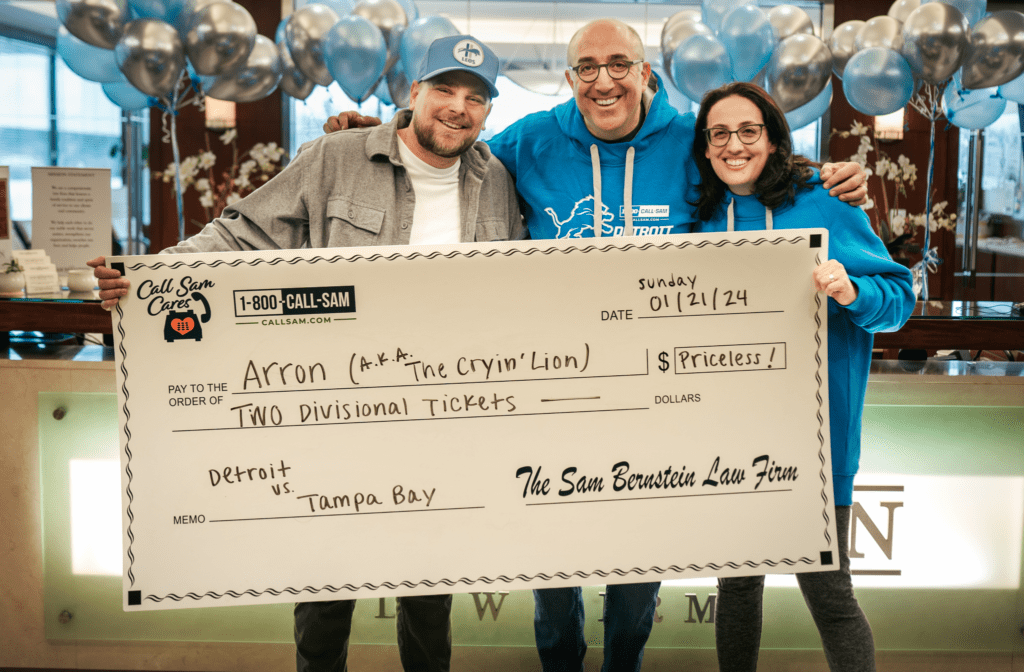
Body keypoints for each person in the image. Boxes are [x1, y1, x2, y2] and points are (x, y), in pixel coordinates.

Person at [325, 19, 870, 672]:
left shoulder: (689, 142)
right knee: (554, 585)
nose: (603, 79)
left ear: (647, 74)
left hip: (658, 408)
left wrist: (826, 178)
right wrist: (377, 134)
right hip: (556, 403)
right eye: (587, 66)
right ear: (569, 78)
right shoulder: (529, 140)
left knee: (638, 581)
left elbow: (752, 166)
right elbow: (448, 153)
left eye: (620, 64)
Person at [88, 35, 522, 672]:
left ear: (487, 111)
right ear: (413, 94)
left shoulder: (494, 182)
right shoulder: (337, 157)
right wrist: (151, 279)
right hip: (333, 413)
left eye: (475, 98)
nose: (458, 109)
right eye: (444, 91)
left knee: (430, 594)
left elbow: (519, 289)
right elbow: (243, 233)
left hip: (439, 419)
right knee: (324, 593)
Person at [691, 81, 914, 672]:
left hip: (819, 439)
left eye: (748, 131)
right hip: (729, 440)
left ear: (772, 138)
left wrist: (850, 290)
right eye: (719, 133)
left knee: (829, 595)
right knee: (737, 590)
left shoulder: (825, 200)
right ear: (706, 147)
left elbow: (898, 299)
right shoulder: (704, 216)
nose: (734, 144)